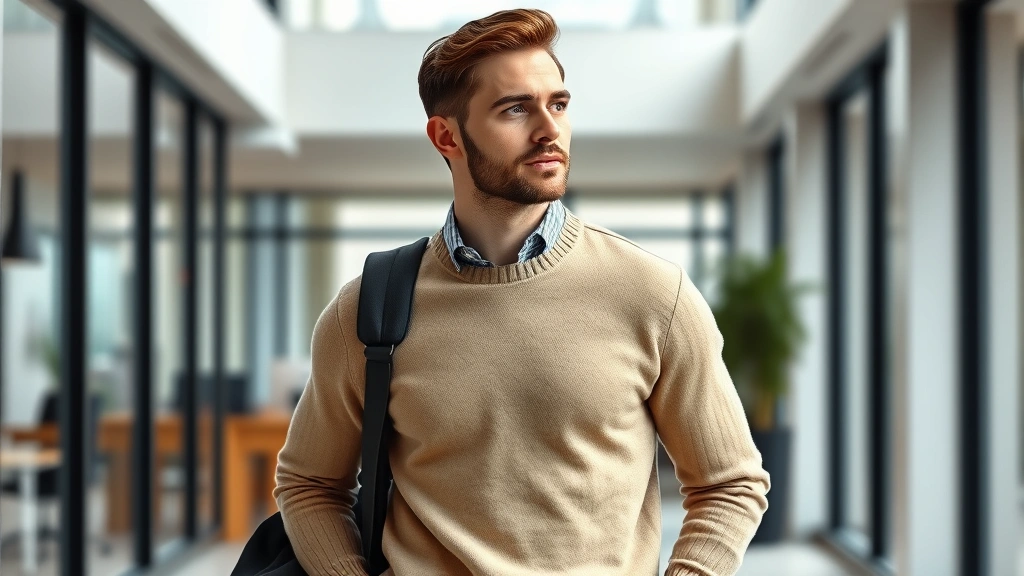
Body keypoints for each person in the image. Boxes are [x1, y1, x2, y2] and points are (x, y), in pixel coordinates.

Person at [275, 8, 769, 576]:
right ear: (446, 135)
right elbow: (309, 483)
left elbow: (730, 484)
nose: (548, 129)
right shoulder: (368, 308)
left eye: (558, 104)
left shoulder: (655, 295)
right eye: (515, 109)